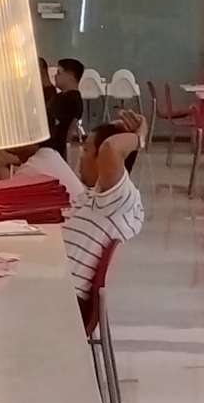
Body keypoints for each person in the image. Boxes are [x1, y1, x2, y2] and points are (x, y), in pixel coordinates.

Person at [62, 114, 147, 297]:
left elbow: (111, 148)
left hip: (63, 298)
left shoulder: (118, 200)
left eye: (86, 150)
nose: (80, 157)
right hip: (52, 284)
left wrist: (140, 137)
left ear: (100, 159)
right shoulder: (93, 195)